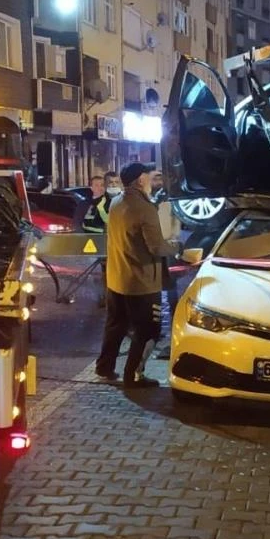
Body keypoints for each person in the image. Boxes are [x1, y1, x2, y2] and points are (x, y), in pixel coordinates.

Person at [95, 162, 180, 388]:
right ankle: (134, 374)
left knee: (116, 324)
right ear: (140, 180)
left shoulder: (116, 202)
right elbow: (157, 247)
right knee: (148, 329)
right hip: (141, 282)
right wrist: (176, 247)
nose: (150, 182)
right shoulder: (144, 208)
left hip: (116, 278)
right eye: (148, 177)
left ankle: (104, 367)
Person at [150, 170, 182, 321]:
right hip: (151, 248)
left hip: (168, 246)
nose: (158, 181)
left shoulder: (169, 199)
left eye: (160, 178)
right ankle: (154, 321)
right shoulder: (147, 200)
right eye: (154, 178)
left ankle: (175, 316)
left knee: (171, 284)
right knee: (152, 285)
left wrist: (174, 237)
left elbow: (176, 219)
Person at [82, 173, 118, 306]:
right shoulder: (97, 202)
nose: (114, 185)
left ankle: (107, 297)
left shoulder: (113, 199)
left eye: (116, 182)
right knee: (103, 272)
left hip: (108, 241)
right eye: (111, 183)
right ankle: (105, 297)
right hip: (98, 241)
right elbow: (107, 220)